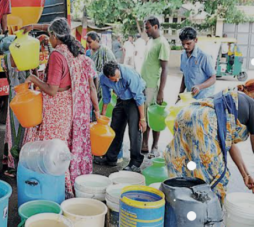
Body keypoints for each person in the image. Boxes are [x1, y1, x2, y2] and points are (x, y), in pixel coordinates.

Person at [22, 18, 99, 198]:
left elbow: (52, 89)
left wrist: (33, 79)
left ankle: (60, 191)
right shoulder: (75, 50)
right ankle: (64, 188)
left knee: (52, 150)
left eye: (50, 36)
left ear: (55, 36)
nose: (49, 40)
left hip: (56, 108)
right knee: (62, 146)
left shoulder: (57, 55)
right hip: (69, 107)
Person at [164, 89, 254, 204]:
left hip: (186, 114)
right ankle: (208, 216)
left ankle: (179, 209)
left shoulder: (232, 101)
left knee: (185, 168)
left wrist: (245, 174)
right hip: (204, 122)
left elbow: (229, 145)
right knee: (213, 179)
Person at [94, 61, 147, 172]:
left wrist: (142, 119)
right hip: (121, 98)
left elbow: (138, 97)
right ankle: (111, 158)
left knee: (134, 130)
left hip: (135, 100)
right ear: (108, 77)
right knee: (115, 128)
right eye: (114, 79)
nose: (117, 80)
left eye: (118, 77)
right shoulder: (103, 78)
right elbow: (106, 96)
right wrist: (103, 114)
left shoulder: (128, 74)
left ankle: (135, 163)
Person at [141, 16, 169, 158]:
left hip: (153, 86)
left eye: (148, 27)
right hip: (144, 85)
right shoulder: (151, 41)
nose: (146, 30)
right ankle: (145, 143)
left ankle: (155, 146)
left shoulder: (162, 43)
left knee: (155, 117)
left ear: (156, 27)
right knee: (145, 117)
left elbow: (165, 69)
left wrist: (161, 92)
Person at [1, 53, 30, 177]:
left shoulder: (6, 58)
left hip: (14, 94)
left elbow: (7, 75)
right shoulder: (30, 55)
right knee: (24, 128)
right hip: (27, 95)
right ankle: (22, 163)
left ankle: (14, 164)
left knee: (14, 129)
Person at [178, 27, 216, 99]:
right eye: (183, 44)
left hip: (204, 97)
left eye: (188, 43)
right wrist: (180, 93)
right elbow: (185, 75)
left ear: (196, 40)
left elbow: (213, 78)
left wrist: (199, 87)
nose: (185, 46)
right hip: (190, 96)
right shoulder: (183, 55)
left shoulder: (204, 57)